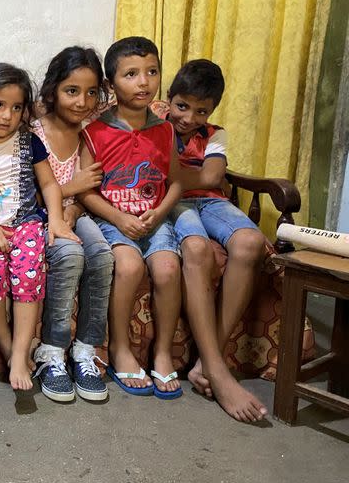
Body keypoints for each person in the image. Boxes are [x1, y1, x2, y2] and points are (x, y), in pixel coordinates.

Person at [0, 63, 79, 392]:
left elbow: (50, 186)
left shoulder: (29, 143)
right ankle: (10, 349)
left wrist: (54, 217)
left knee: (27, 274)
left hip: (26, 222)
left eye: (16, 108)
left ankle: (23, 350)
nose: (7, 116)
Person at [160, 59, 268, 421]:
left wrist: (182, 175)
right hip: (172, 202)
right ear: (169, 99)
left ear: (213, 110)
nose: (189, 118)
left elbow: (213, 176)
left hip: (211, 202)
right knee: (196, 246)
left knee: (250, 242)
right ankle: (219, 374)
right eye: (182, 106)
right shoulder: (154, 123)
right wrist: (193, 176)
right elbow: (180, 177)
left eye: (200, 111)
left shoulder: (215, 135)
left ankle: (210, 362)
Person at [79, 36, 184, 399]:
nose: (144, 82)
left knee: (169, 268)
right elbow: (86, 191)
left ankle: (162, 352)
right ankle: (120, 348)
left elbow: (175, 183)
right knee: (128, 267)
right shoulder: (95, 132)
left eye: (151, 72)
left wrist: (161, 211)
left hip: (154, 219)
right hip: (114, 219)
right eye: (131, 74)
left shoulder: (165, 129)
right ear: (110, 85)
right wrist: (119, 219)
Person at [31, 46, 114, 403]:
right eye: (72, 91)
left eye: (91, 92)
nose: (82, 101)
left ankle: (85, 348)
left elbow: (88, 191)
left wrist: (73, 208)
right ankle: (51, 350)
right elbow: (24, 195)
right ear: (52, 90)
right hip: (36, 214)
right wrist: (68, 193)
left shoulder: (90, 135)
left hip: (76, 213)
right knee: (69, 255)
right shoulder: (34, 133)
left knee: (102, 254)